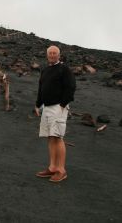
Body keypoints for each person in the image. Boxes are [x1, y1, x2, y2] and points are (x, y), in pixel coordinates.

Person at [34, 45, 76, 182]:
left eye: (54, 53)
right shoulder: (45, 70)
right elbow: (41, 88)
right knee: (50, 137)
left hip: (58, 107)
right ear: (47, 55)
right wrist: (38, 104)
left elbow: (71, 87)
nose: (52, 55)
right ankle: (52, 168)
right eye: (50, 53)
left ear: (59, 55)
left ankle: (61, 170)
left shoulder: (64, 69)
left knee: (58, 138)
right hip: (46, 107)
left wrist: (63, 104)